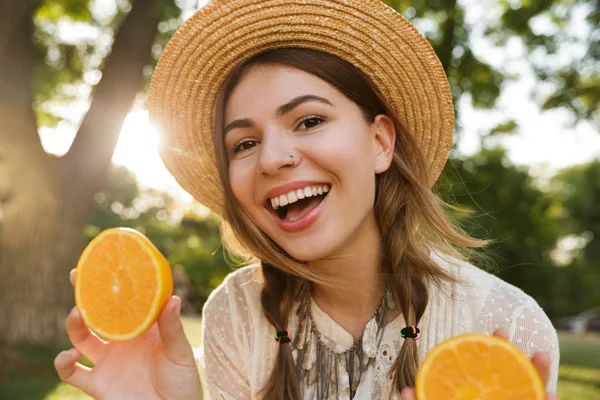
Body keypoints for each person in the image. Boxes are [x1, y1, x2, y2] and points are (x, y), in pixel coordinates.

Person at [55, 0, 560, 399]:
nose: (272, 158)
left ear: (380, 142)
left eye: (310, 120)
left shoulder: (503, 324)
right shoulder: (236, 312)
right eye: (244, 144)